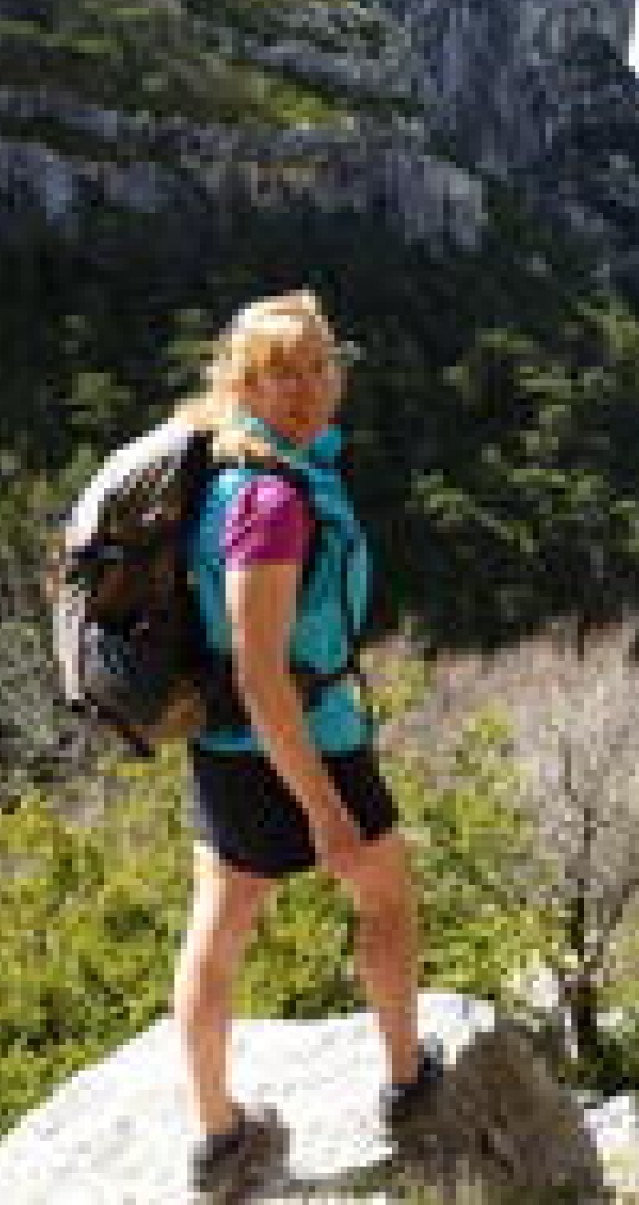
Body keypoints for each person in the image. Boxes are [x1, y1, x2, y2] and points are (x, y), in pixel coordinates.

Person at [171, 290, 441, 1201]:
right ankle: (407, 1080)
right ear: (243, 381)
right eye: (280, 371)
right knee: (387, 894)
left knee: (222, 920)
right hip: (300, 740)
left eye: (318, 365)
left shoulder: (231, 464)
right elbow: (260, 668)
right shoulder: (270, 498)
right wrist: (322, 801)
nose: (304, 387)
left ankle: (219, 1133)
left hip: (224, 744)